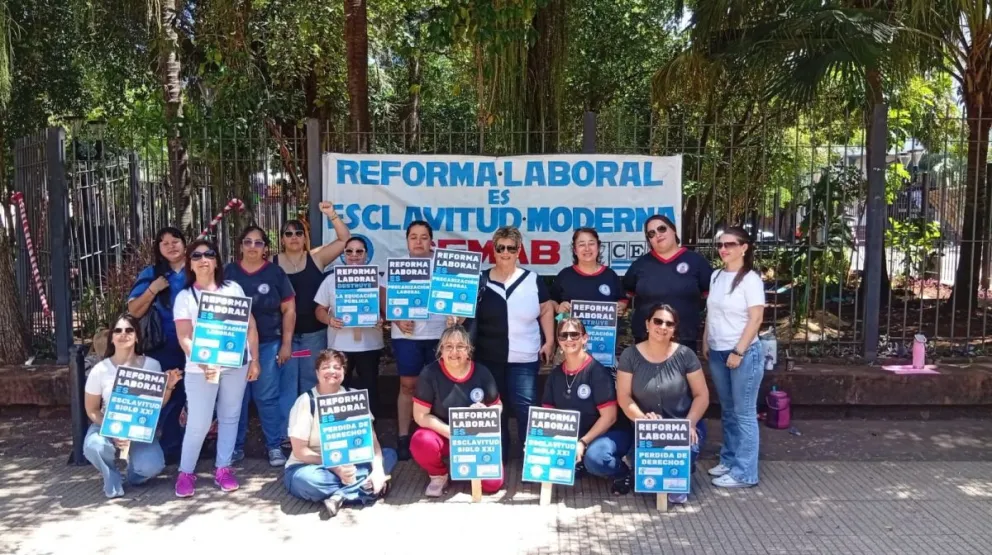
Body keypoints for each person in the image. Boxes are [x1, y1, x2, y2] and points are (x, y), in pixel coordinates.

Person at [173, 239, 261, 498]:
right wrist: (204, 361)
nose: (203, 259)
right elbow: (184, 337)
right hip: (201, 369)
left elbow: (250, 325)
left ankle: (223, 468)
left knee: (230, 416)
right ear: (190, 263)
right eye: (197, 255)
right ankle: (186, 471)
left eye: (209, 254)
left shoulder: (232, 288)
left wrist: (254, 359)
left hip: (236, 364)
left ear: (216, 260)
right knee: (198, 423)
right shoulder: (185, 297)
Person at [468, 226, 554, 457]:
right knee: (495, 409)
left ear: (519, 251)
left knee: (526, 407)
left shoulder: (532, 279)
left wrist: (550, 341)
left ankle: (533, 457)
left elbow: (546, 309)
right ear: (493, 251)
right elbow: (464, 314)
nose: (505, 252)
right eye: (501, 248)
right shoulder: (480, 281)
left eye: (511, 248)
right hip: (488, 358)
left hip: (524, 358)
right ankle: (499, 454)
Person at [284, 349, 396, 518]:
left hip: (353, 463)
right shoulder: (306, 401)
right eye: (325, 367)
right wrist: (335, 467)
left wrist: (378, 470)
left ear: (344, 372)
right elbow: (300, 451)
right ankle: (366, 489)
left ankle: (340, 496)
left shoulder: (353, 397)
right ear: (317, 372)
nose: (332, 371)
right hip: (313, 465)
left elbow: (371, 441)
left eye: (337, 367)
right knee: (307, 481)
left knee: (388, 455)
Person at [616, 303, 710, 504]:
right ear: (648, 324)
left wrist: (690, 424)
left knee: (689, 449)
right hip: (645, 427)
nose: (663, 327)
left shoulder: (686, 355)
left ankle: (681, 473)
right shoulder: (630, 355)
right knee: (642, 468)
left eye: (669, 323)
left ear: (674, 329)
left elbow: (702, 395)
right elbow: (624, 397)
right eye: (658, 321)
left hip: (681, 423)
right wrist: (643, 420)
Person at [84, 314, 182, 498]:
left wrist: (168, 387)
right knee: (95, 446)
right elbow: (91, 409)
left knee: (152, 466)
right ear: (111, 337)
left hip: (139, 427)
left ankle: (131, 477)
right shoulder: (100, 370)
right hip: (107, 424)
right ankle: (111, 475)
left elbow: (156, 405)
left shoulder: (152, 365)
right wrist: (111, 430)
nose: (123, 334)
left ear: (137, 336)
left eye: (129, 330)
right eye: (118, 330)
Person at [273, 202, 350, 436]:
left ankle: (313, 433)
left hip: (313, 334)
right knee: (286, 386)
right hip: (284, 336)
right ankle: (289, 435)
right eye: (288, 233)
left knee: (311, 382)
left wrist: (332, 215)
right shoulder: (272, 263)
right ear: (282, 239)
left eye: (299, 232)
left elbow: (345, 240)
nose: (294, 237)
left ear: (305, 237)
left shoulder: (316, 258)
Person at [227, 225, 296, 467]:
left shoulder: (275, 273)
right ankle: (234, 447)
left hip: (268, 344)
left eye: (258, 242)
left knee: (267, 397)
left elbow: (289, 309)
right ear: (240, 245)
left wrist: (286, 343)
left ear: (266, 248)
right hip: (232, 346)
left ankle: (274, 446)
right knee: (237, 398)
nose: (253, 247)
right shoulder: (228, 273)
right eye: (248, 242)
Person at [703, 226, 766, 489]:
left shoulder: (751, 279)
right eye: (720, 245)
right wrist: (706, 338)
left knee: (744, 413)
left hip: (743, 353)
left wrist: (739, 351)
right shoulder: (716, 275)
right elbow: (712, 312)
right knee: (728, 411)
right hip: (717, 350)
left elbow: (756, 318)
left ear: (744, 247)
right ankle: (729, 460)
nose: (724, 249)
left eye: (730, 244)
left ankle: (745, 472)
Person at [541, 318, 631, 494]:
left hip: (610, 434)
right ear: (558, 341)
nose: (569, 339)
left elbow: (610, 417)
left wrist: (582, 442)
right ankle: (581, 461)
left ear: (585, 338)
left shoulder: (597, 372)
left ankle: (623, 472)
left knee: (596, 459)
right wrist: (539, 442)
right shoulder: (555, 375)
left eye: (574, 334)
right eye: (564, 335)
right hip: (577, 435)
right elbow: (547, 414)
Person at [411, 326, 503, 497]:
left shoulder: (482, 372)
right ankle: (439, 475)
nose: (454, 351)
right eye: (448, 346)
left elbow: (497, 406)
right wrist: (452, 433)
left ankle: (468, 469)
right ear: (440, 350)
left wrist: (486, 413)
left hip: (474, 439)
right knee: (421, 441)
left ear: (469, 350)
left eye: (460, 346)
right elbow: (420, 416)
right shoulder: (429, 373)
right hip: (443, 436)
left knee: (492, 485)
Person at [126, 227, 188, 463]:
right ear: (158, 249)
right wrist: (153, 289)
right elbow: (133, 310)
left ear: (185, 243)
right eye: (164, 243)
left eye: (175, 240)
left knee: (192, 399)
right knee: (168, 399)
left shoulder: (197, 270)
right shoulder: (151, 274)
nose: (171, 246)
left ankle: (189, 445)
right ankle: (165, 449)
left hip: (197, 347)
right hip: (164, 348)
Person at [391, 220, 447, 461]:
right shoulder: (397, 265)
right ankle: (403, 437)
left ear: (431, 240)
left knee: (440, 386)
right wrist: (396, 319)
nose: (418, 241)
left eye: (424, 237)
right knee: (407, 386)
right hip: (407, 336)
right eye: (413, 237)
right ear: (407, 241)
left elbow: (461, 294)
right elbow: (384, 298)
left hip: (439, 334)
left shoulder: (444, 265)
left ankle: (440, 436)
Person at [314, 236, 385, 416]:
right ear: (343, 255)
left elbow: (387, 309)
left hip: (370, 346)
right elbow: (320, 309)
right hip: (339, 346)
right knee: (338, 389)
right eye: (349, 251)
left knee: (370, 389)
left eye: (359, 251)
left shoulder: (377, 278)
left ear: (366, 255)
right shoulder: (331, 280)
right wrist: (329, 320)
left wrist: (383, 319)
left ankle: (371, 432)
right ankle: (339, 431)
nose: (354, 255)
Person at [622, 215, 713, 351]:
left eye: (662, 229)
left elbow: (713, 300)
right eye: (651, 233)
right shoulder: (640, 265)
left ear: (673, 230)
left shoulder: (696, 261)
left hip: (684, 340)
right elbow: (625, 294)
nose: (658, 235)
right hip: (646, 340)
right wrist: (621, 304)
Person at [551, 227, 628, 315]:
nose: (587, 248)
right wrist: (558, 307)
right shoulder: (565, 276)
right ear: (575, 250)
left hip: (603, 328)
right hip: (571, 328)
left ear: (598, 247)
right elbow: (551, 301)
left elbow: (623, 299)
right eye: (581, 244)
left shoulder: (610, 275)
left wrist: (619, 307)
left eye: (591, 243)